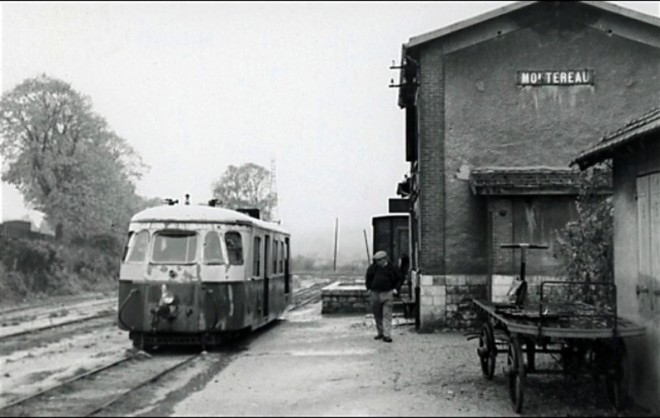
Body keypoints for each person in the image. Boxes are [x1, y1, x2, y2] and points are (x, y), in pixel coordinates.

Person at [365, 250, 403, 343]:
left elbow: (399, 278)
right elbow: (368, 278)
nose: (377, 262)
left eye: (379, 260)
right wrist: (369, 288)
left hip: (388, 293)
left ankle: (387, 335)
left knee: (387, 314)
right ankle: (380, 332)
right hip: (375, 293)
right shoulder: (372, 268)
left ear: (385, 259)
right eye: (376, 260)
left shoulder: (392, 268)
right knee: (377, 314)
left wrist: (396, 288)